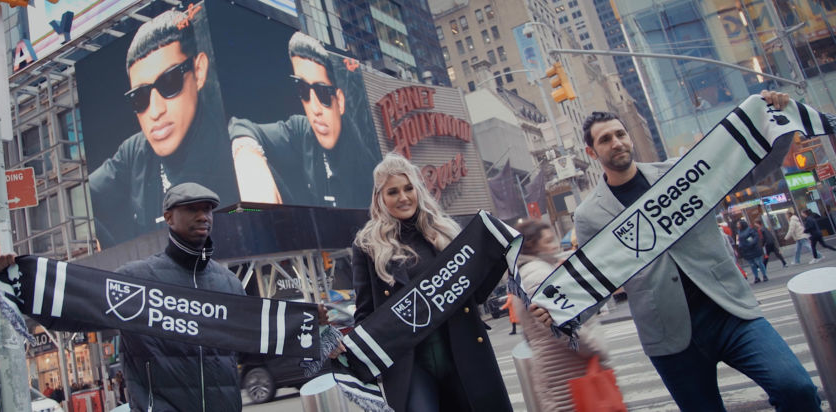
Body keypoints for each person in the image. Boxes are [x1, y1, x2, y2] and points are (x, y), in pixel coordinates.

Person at [534, 91, 821, 411]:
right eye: (604, 140)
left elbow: (750, 170)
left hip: (730, 313)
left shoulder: (680, 172)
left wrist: (780, 123)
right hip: (670, 338)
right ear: (591, 151)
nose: (616, 142)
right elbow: (596, 278)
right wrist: (561, 311)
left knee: (797, 389)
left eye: (620, 134)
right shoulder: (589, 215)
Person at [0, 182, 244, 411]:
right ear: (168, 217)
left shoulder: (229, 284)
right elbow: (74, 308)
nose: (203, 216)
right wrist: (20, 281)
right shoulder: (137, 280)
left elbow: (255, 342)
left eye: (208, 209)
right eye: (192, 209)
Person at [350, 153, 512, 412]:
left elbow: (475, 293)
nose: (403, 197)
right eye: (393, 192)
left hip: (462, 351)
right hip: (410, 365)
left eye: (408, 188)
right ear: (380, 198)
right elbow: (365, 314)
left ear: (418, 190)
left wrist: (499, 255)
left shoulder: (446, 232)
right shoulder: (367, 246)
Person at [88, 9, 237, 247]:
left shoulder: (230, 144)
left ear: (199, 71)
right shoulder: (134, 152)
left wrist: (249, 148)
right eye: (140, 97)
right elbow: (85, 198)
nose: (155, 110)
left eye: (170, 82)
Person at [229, 32, 376, 208]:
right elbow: (243, 127)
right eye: (303, 89)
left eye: (323, 93)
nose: (314, 109)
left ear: (341, 101)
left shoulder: (365, 158)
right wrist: (250, 160)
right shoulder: (302, 129)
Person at [514, 219, 610, 412]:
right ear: (532, 246)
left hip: (564, 371)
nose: (555, 245)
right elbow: (565, 326)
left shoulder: (530, 274)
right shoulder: (537, 276)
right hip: (566, 375)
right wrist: (596, 348)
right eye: (548, 241)